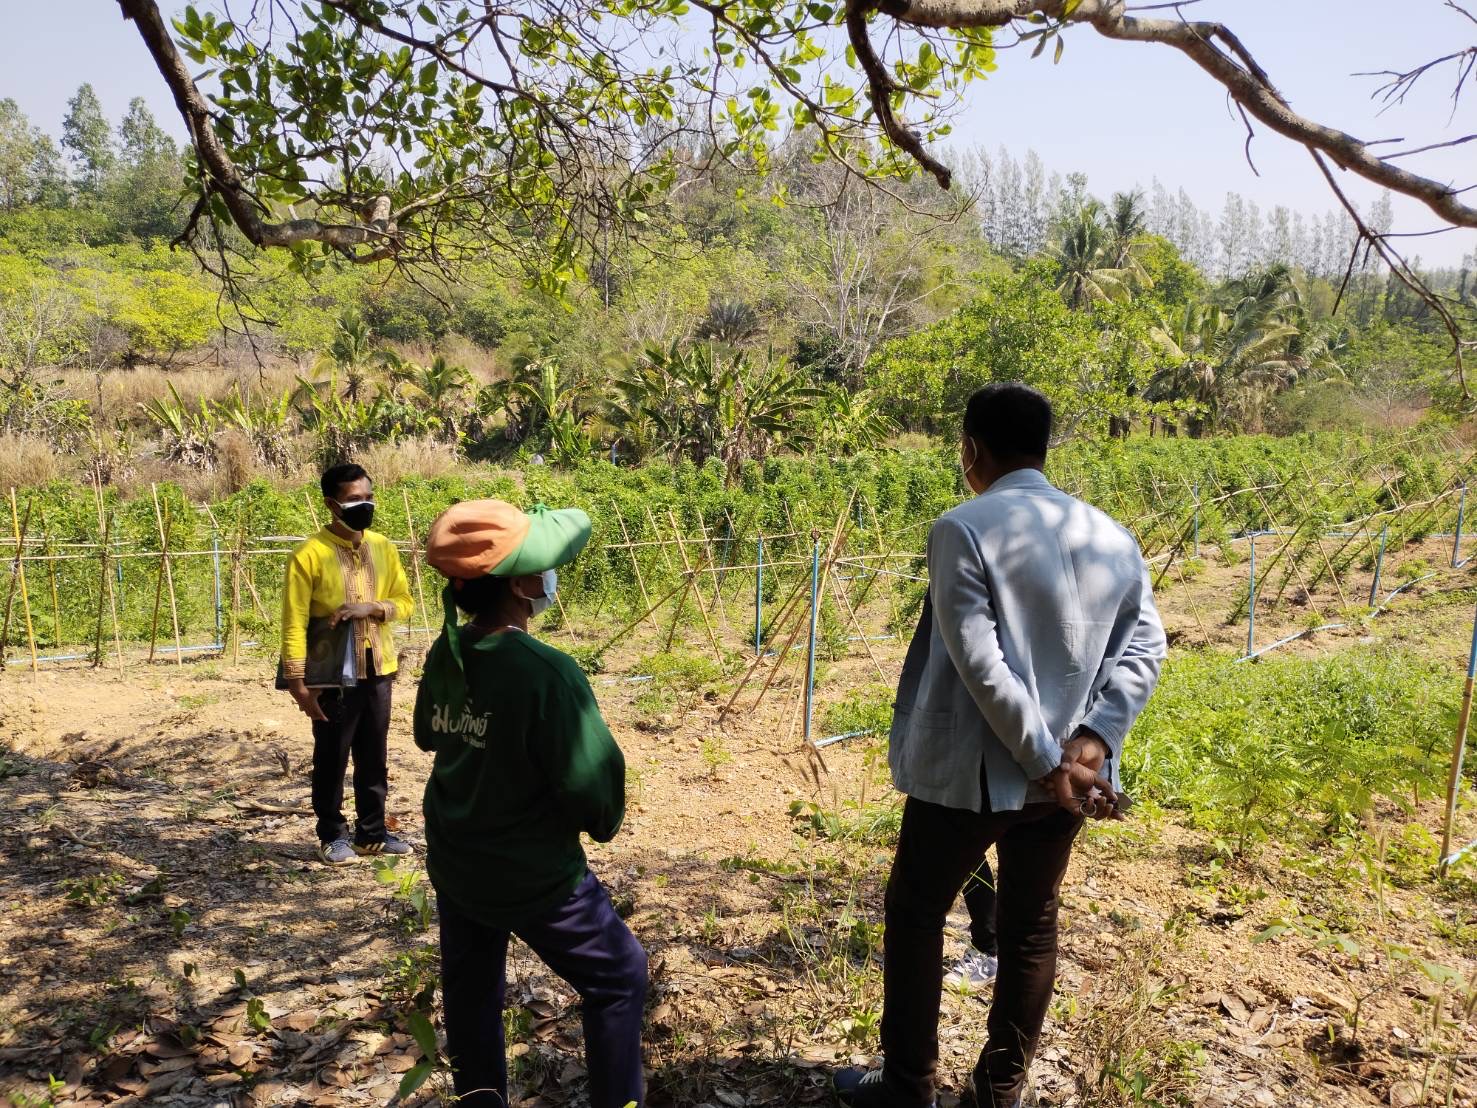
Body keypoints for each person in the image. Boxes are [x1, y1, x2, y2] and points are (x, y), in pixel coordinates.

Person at [836, 383, 1167, 1108]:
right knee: (1029, 924)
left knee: (918, 911)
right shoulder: (1107, 533)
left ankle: (907, 1085)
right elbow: (1146, 646)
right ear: (1042, 448)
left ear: (972, 450)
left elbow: (980, 661)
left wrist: (1046, 759)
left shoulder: (964, 526)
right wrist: (1091, 742)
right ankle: (997, 1090)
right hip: (1067, 782)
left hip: (978, 773)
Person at [416, 499, 647, 1108]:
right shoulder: (549, 672)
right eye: (543, 568)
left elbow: (426, 733)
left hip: (457, 855)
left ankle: (481, 1097)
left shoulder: (449, 650)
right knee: (620, 977)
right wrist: (599, 820)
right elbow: (592, 789)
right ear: (523, 584)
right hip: (531, 870)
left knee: (471, 991)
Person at [279, 462, 416, 865]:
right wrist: (298, 684)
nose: (364, 505)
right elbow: (293, 622)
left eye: (368, 497)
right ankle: (332, 834)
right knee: (332, 755)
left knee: (374, 755)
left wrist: (373, 607)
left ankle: (371, 834)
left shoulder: (383, 548)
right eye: (355, 499)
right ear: (331, 504)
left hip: (379, 668)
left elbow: (404, 602)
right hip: (332, 676)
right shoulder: (308, 555)